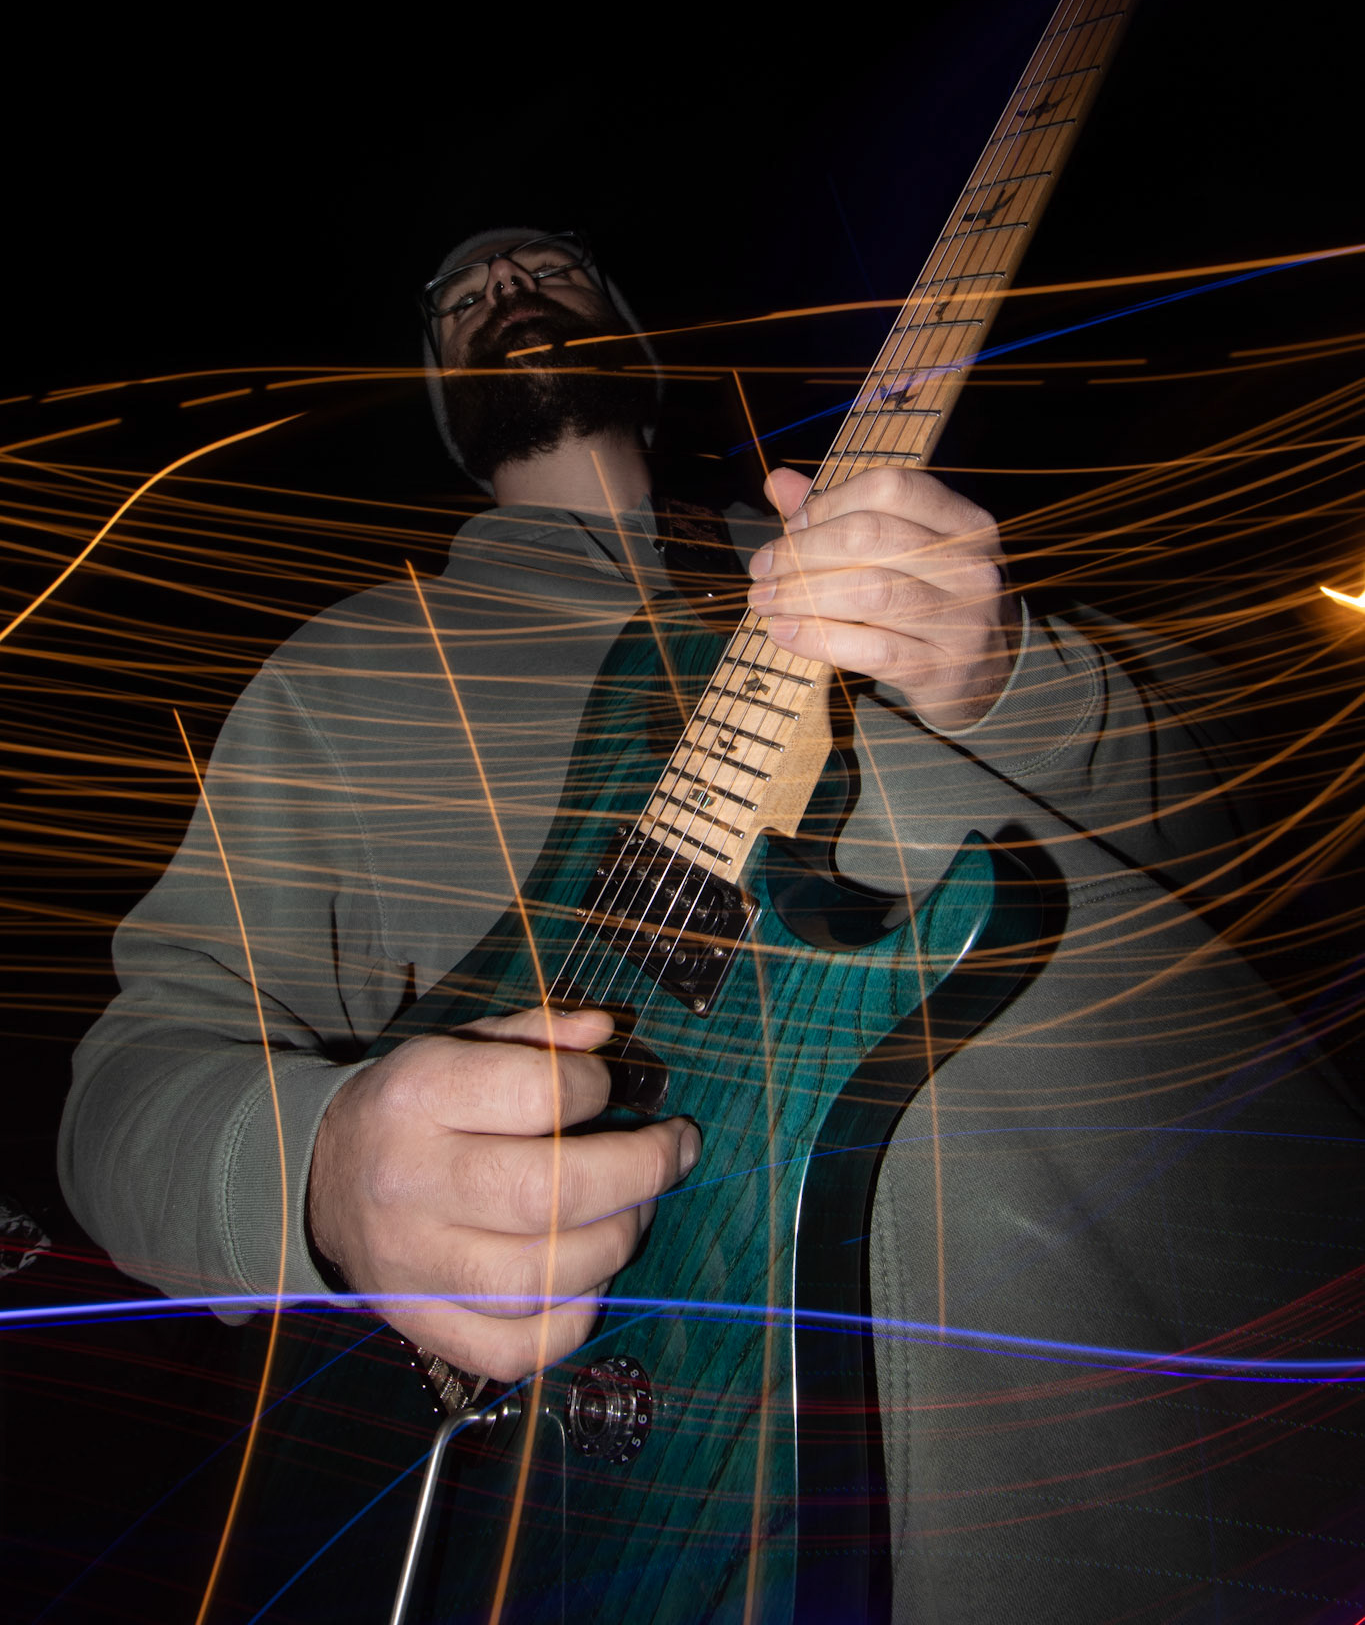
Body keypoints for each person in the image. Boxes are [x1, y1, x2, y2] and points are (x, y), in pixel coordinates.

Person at [59, 231, 1365, 1621]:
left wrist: (1004, 669)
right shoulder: (349, 669)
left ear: (638, 336)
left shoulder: (906, 554)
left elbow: (1220, 832)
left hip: (1203, 1394)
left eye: (548, 268)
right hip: (634, 1495)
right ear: (441, 398)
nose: (506, 293)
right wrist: (323, 1174)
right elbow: (128, 1085)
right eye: (460, 301)